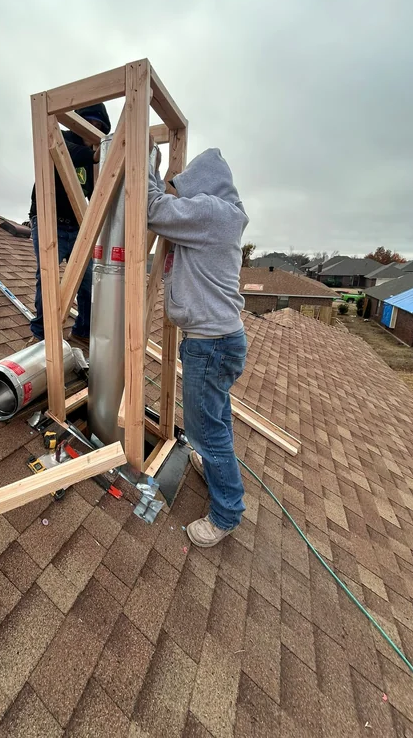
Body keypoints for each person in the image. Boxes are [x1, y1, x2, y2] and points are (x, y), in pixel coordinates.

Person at [147, 143, 249, 548]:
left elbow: (154, 210)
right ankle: (213, 468)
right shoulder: (222, 216)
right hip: (222, 340)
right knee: (218, 417)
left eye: (184, 188)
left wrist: (148, 166)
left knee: (206, 431)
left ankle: (226, 515)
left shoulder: (209, 213)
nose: (180, 196)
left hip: (209, 345)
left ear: (203, 186)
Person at [28, 104, 111, 347]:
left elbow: (97, 193)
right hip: (48, 221)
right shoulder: (61, 139)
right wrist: (100, 152)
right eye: (90, 125)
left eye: (99, 128)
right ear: (79, 123)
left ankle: (82, 332)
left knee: (88, 280)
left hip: (77, 227)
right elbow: (69, 152)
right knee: (48, 279)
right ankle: (42, 336)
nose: (94, 131)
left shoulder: (92, 156)